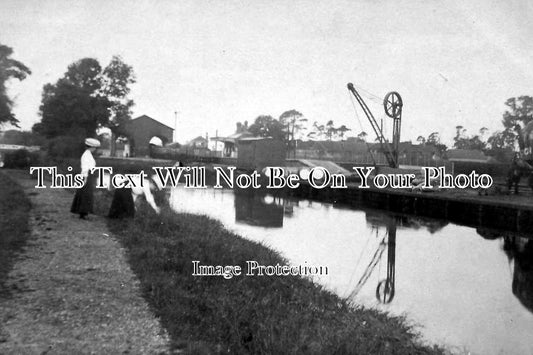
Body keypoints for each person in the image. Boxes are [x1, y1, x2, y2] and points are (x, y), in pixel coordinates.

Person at [71, 138, 100, 219]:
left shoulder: (88, 154)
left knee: (86, 194)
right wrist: (85, 177)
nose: (95, 150)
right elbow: (85, 168)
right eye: (94, 148)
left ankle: (84, 212)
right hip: (86, 175)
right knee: (85, 194)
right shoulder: (86, 155)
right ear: (91, 147)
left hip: (89, 175)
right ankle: (82, 213)